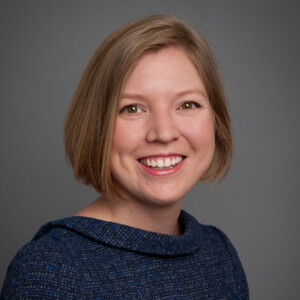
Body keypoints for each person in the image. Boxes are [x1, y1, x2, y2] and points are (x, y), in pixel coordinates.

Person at [1, 15, 249, 299]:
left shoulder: (219, 255)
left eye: (188, 104)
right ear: (97, 125)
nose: (164, 132)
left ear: (215, 118)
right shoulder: (49, 273)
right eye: (133, 109)